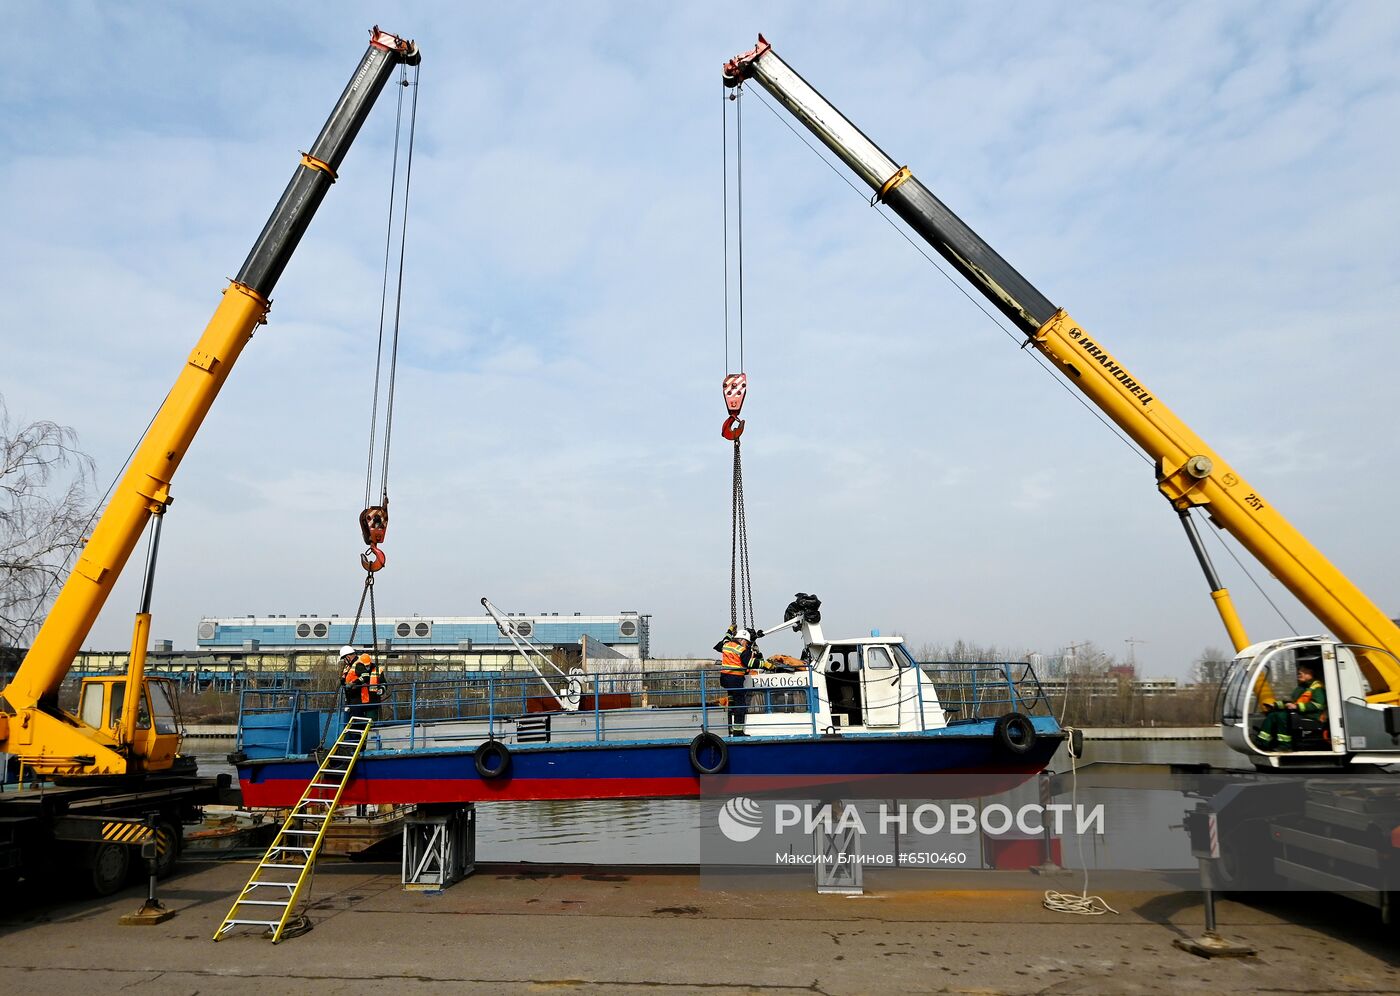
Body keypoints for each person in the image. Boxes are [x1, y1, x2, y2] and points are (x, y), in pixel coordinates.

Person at [1256, 660, 1326, 750]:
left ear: (1311, 673)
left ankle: (1285, 746)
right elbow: (1293, 702)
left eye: (1303, 671)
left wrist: (1297, 707)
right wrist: (1276, 705)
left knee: (1282, 716)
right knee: (1272, 715)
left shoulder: (1317, 688)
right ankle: (1262, 742)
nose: (1299, 673)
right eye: (1299, 671)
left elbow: (1318, 705)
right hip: (1301, 713)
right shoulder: (1302, 687)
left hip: (1312, 716)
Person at [715, 627, 757, 735]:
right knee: (740, 705)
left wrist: (730, 630)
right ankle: (738, 732)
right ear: (742, 640)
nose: (746, 644)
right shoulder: (741, 650)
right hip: (735, 679)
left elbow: (725, 638)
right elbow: (750, 663)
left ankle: (729, 728)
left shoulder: (726, 645)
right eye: (746, 642)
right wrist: (765, 664)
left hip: (725, 679)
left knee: (731, 703)